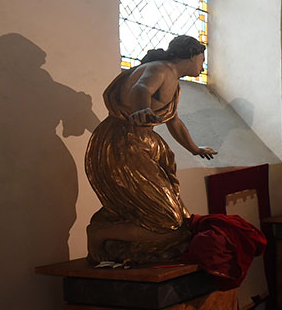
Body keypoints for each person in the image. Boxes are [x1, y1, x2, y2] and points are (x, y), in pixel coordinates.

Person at [85, 35, 216, 263]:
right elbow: (141, 87)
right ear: (192, 55)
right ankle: (100, 233)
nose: (202, 65)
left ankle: (116, 236)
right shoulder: (161, 69)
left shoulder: (170, 77)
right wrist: (141, 109)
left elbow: (173, 120)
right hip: (126, 145)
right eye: (202, 59)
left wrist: (194, 149)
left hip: (137, 142)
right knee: (167, 221)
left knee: (178, 221)